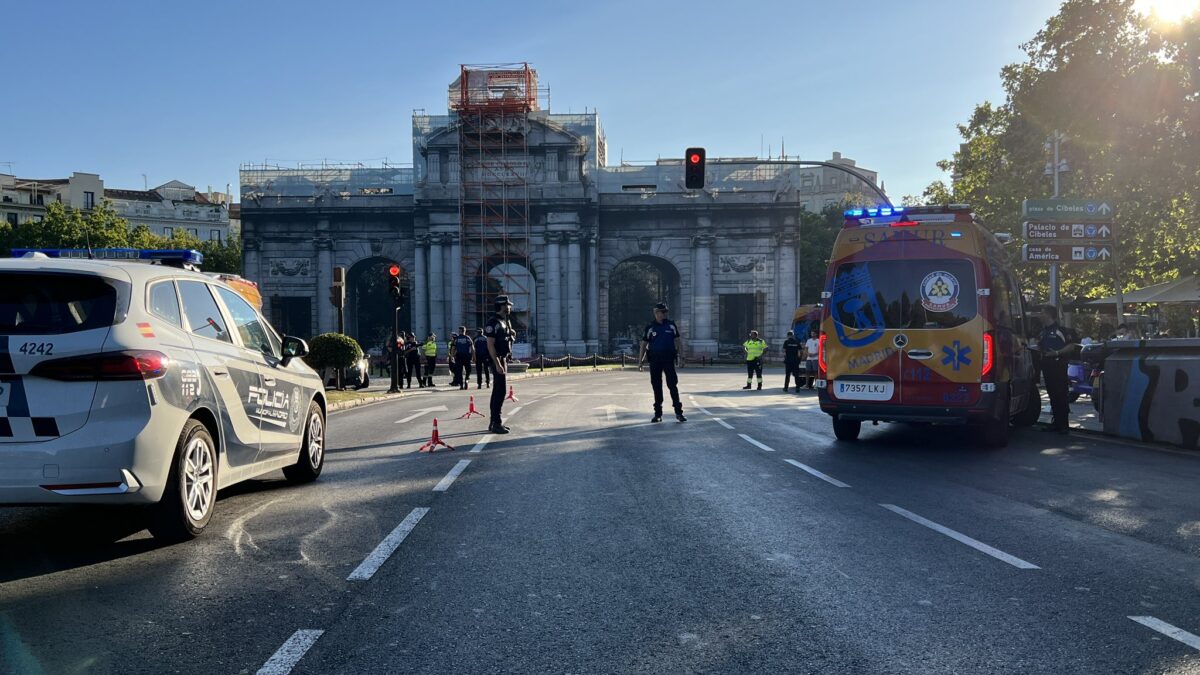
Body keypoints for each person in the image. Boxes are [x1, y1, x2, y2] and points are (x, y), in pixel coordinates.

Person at [637, 302, 686, 423]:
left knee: (672, 385)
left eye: (665, 312)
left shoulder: (671, 325)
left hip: (668, 359)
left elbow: (678, 341)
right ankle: (658, 413)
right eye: (662, 312)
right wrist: (640, 361)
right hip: (655, 359)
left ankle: (679, 413)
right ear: (656, 313)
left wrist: (681, 357)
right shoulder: (650, 327)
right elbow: (644, 345)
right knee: (656, 386)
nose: (664, 314)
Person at [1037, 305, 1078, 434]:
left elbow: (1072, 346)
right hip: (1046, 367)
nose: (1040, 315)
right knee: (1052, 395)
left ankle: (1063, 424)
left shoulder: (1061, 330)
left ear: (1049, 314)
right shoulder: (1042, 332)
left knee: (1061, 394)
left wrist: (1057, 353)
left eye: (1042, 312)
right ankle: (1056, 422)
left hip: (1058, 366)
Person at [485, 296, 515, 434]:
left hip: (503, 358)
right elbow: (490, 345)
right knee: (499, 391)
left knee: (498, 391)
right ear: (501, 306)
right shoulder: (493, 322)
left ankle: (494, 422)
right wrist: (497, 363)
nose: (509, 307)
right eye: (507, 305)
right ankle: (496, 423)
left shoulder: (505, 321)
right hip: (496, 359)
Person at [453, 326, 474, 391]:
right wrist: (473, 356)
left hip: (459, 356)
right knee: (468, 369)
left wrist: (452, 356)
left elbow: (454, 348)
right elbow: (472, 348)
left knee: (459, 371)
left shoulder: (457, 339)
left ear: (462, 331)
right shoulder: (467, 338)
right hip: (466, 356)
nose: (459, 332)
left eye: (459, 331)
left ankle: (461, 385)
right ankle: (467, 379)